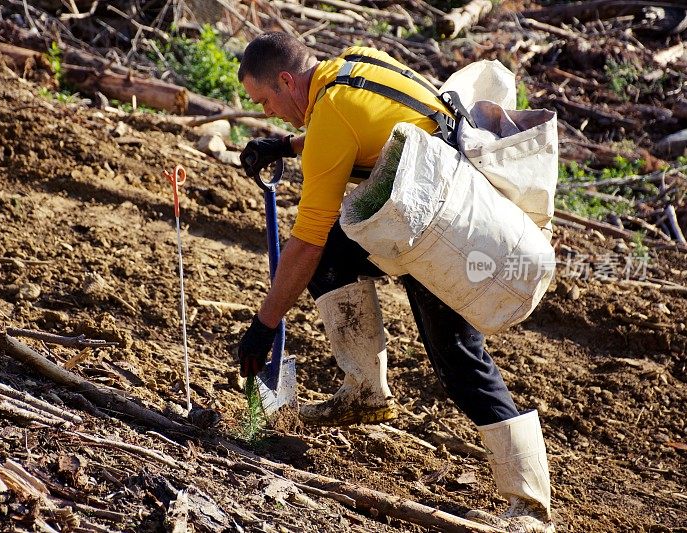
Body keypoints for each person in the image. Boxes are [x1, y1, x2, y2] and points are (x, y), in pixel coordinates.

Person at [235, 31, 554, 533]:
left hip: (447, 229)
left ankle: (531, 507)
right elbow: (365, 122)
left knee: (457, 357)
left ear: (285, 79)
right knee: (335, 257)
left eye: (266, 101)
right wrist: (285, 146)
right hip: (434, 199)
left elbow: (305, 242)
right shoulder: (351, 65)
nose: (268, 110)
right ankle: (365, 389)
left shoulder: (330, 115)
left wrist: (265, 323)